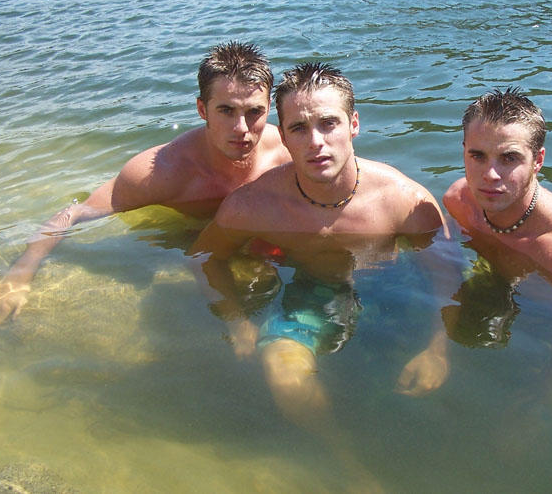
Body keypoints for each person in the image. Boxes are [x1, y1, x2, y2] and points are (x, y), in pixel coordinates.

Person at [189, 62, 451, 484]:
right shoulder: (254, 205)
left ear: (354, 124)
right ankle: (348, 464)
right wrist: (237, 322)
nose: (316, 142)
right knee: (283, 371)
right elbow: (203, 257)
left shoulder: (403, 202)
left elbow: (446, 277)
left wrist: (438, 349)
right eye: (299, 128)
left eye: (328, 123)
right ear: (282, 135)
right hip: (313, 293)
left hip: (392, 286)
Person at [0, 42, 291, 332]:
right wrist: (18, 277)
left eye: (254, 112)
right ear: (202, 109)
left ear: (269, 110)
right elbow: (74, 213)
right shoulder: (162, 172)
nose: (241, 128)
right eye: (226, 110)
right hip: (183, 237)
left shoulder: (285, 152)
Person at [443, 87, 552, 408]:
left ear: (538, 160)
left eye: (509, 158)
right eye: (478, 156)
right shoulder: (459, 202)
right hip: (500, 289)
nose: (490, 175)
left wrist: (547, 388)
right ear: (464, 151)